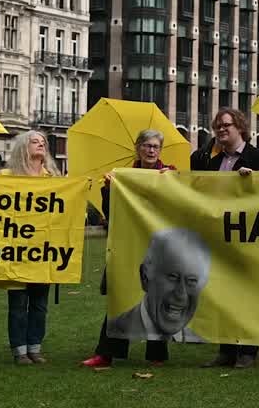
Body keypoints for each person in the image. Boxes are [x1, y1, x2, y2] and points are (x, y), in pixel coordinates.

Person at [83, 130, 177, 368]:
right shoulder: (122, 177)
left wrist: (173, 182)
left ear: (160, 150)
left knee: (156, 296)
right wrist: (108, 189)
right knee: (121, 296)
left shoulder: (169, 174)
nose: (151, 150)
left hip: (157, 245)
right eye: (146, 145)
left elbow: (177, 206)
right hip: (127, 244)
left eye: (156, 146)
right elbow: (111, 213)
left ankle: (157, 354)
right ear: (138, 148)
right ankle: (107, 353)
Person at [191, 108, 259, 369]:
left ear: (240, 127)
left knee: (248, 296)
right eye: (217, 126)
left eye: (226, 125)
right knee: (224, 295)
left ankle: (248, 351)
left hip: (251, 240)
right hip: (220, 240)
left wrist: (254, 184)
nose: (221, 130)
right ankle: (226, 350)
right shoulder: (212, 163)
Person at [0, 130, 61, 366]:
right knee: (18, 303)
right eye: (35, 142)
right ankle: (19, 349)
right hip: (16, 249)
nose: (40, 145)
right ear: (23, 148)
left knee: (39, 303)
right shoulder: (6, 176)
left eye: (43, 142)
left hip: (43, 250)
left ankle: (35, 347)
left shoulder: (54, 179)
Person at [104, 229, 209, 343]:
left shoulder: (197, 338)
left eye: (192, 280)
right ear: (145, 278)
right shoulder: (117, 328)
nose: (181, 294)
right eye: (172, 277)